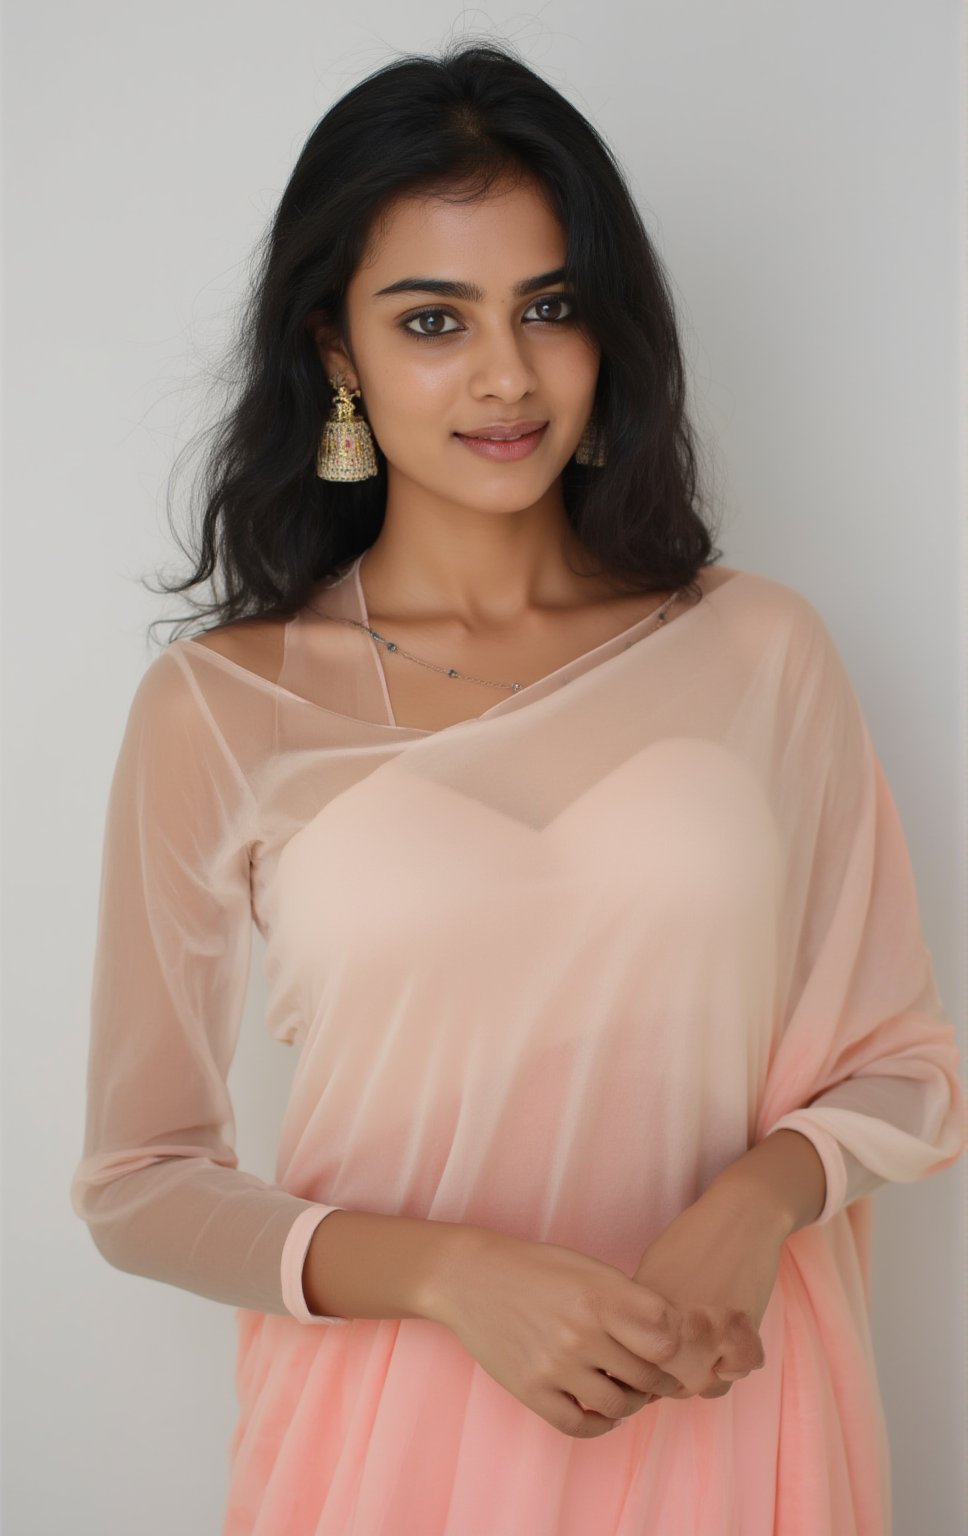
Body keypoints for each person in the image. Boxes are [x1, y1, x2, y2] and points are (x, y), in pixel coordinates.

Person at [70, 39, 965, 1536]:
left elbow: (909, 1066)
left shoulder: (759, 648)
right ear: (336, 353)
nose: (505, 373)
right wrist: (445, 1273)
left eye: (551, 308)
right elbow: (139, 1179)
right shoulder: (223, 709)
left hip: (727, 1402)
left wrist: (757, 1208)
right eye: (434, 320)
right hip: (394, 1441)